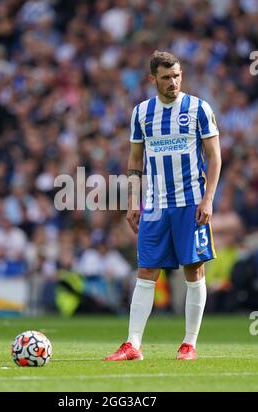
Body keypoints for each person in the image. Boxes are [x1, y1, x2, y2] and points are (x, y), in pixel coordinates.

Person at [105, 51, 222, 361]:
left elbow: (215, 157)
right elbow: (134, 160)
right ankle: (132, 344)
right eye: (167, 77)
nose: (174, 82)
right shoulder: (141, 113)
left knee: (194, 270)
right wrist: (133, 200)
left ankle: (189, 344)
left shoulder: (198, 108)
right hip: (155, 205)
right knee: (146, 270)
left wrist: (208, 199)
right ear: (152, 79)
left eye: (178, 75)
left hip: (190, 203)